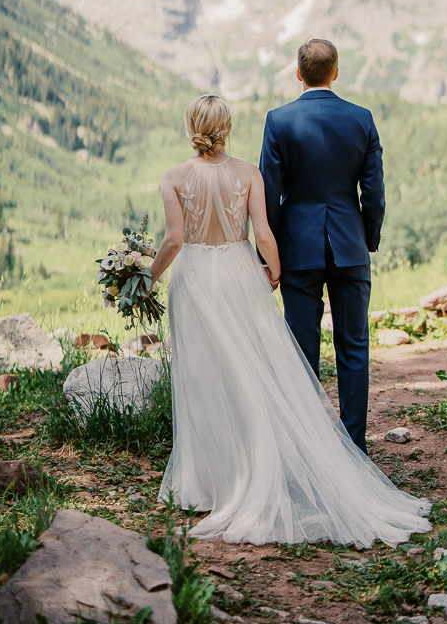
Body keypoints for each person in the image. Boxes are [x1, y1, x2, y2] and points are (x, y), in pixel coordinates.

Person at [148, 93, 430, 547]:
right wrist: (274, 267)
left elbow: (175, 238)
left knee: (207, 371)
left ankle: (209, 480)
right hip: (258, 268)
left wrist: (145, 278)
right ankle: (324, 453)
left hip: (200, 277)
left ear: (190, 127)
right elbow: (265, 229)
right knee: (274, 364)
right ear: (227, 127)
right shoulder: (252, 171)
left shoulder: (176, 176)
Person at [259, 38, 383, 454]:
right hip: (349, 246)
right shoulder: (361, 118)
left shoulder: (278, 120)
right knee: (353, 346)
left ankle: (308, 452)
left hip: (297, 248)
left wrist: (270, 256)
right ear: (335, 72)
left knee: (301, 350)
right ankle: (355, 448)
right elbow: (375, 192)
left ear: (298, 73)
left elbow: (269, 194)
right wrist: (368, 237)